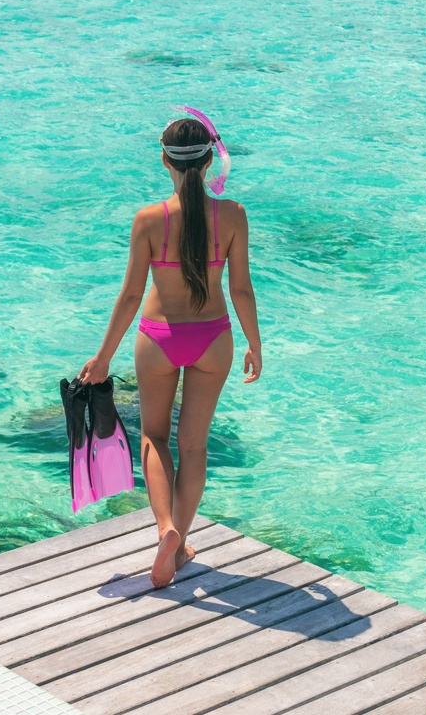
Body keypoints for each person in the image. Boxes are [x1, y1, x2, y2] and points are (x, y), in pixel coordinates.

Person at [78, 112, 262, 588]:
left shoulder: (148, 220)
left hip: (158, 338)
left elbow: (131, 296)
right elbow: (241, 289)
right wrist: (254, 344)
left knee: (154, 439)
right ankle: (180, 546)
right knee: (194, 444)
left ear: (165, 161)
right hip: (213, 338)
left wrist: (103, 358)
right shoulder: (234, 215)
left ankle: (166, 530)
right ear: (208, 161)